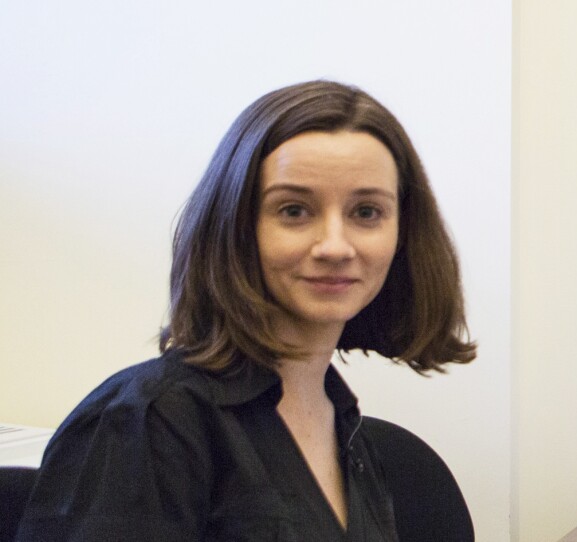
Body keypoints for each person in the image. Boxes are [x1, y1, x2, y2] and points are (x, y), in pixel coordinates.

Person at [16, 80, 477, 541]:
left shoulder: (337, 417)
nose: (335, 246)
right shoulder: (150, 422)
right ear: (235, 226)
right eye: (294, 211)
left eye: (367, 212)